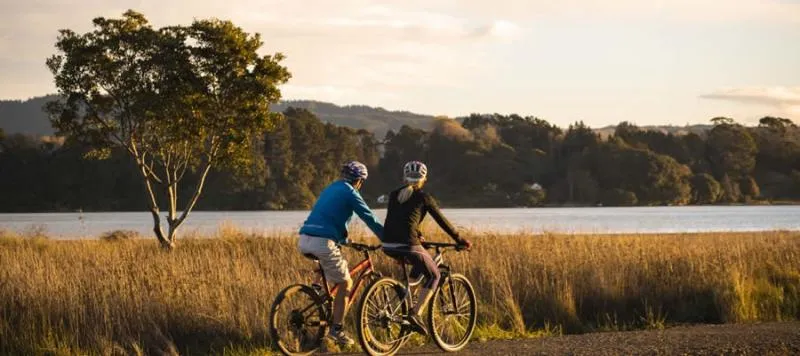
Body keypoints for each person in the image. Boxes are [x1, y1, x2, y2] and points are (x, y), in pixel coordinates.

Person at [298, 161, 384, 346]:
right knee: (345, 283)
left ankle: (316, 294)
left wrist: (345, 240)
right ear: (360, 181)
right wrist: (386, 237)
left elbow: (330, 216)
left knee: (326, 269)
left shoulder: (331, 188)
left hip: (304, 238)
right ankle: (337, 330)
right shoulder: (351, 192)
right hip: (322, 241)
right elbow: (368, 216)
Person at [380, 160, 471, 335]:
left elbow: (401, 218)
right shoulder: (423, 197)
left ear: (404, 177)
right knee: (435, 274)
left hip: (388, 244)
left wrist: (418, 233)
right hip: (407, 244)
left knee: (419, 264)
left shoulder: (394, 195)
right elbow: (442, 221)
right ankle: (415, 314)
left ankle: (405, 300)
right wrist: (460, 239)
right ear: (424, 179)